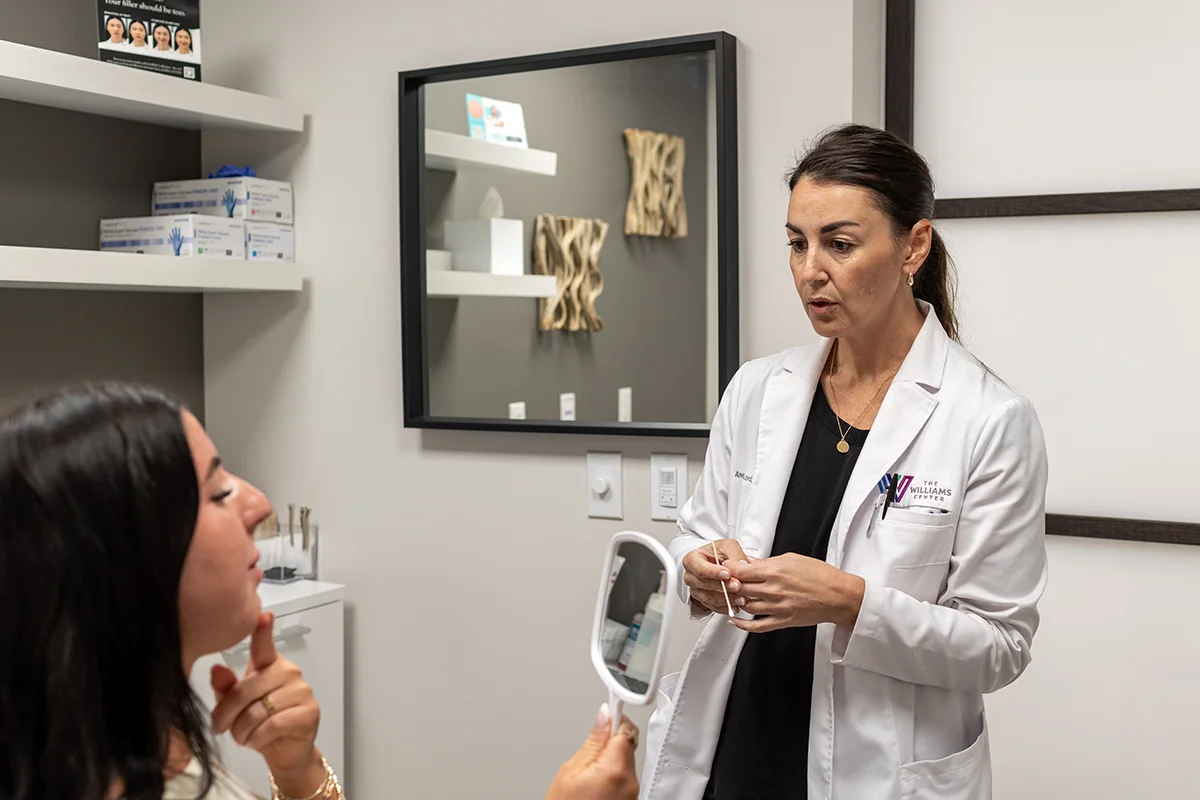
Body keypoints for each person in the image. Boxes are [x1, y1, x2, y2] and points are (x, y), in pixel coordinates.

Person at [640, 124, 1049, 800]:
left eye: (840, 244)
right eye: (797, 243)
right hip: (732, 746)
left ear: (913, 245)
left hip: (873, 771)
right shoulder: (758, 388)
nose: (810, 270)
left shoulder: (989, 419)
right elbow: (699, 528)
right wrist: (697, 565)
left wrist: (849, 603)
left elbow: (999, 646)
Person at [0, 384, 639, 800]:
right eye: (219, 493)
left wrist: (298, 769)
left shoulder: (142, 744)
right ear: (128, 564)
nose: (258, 503)